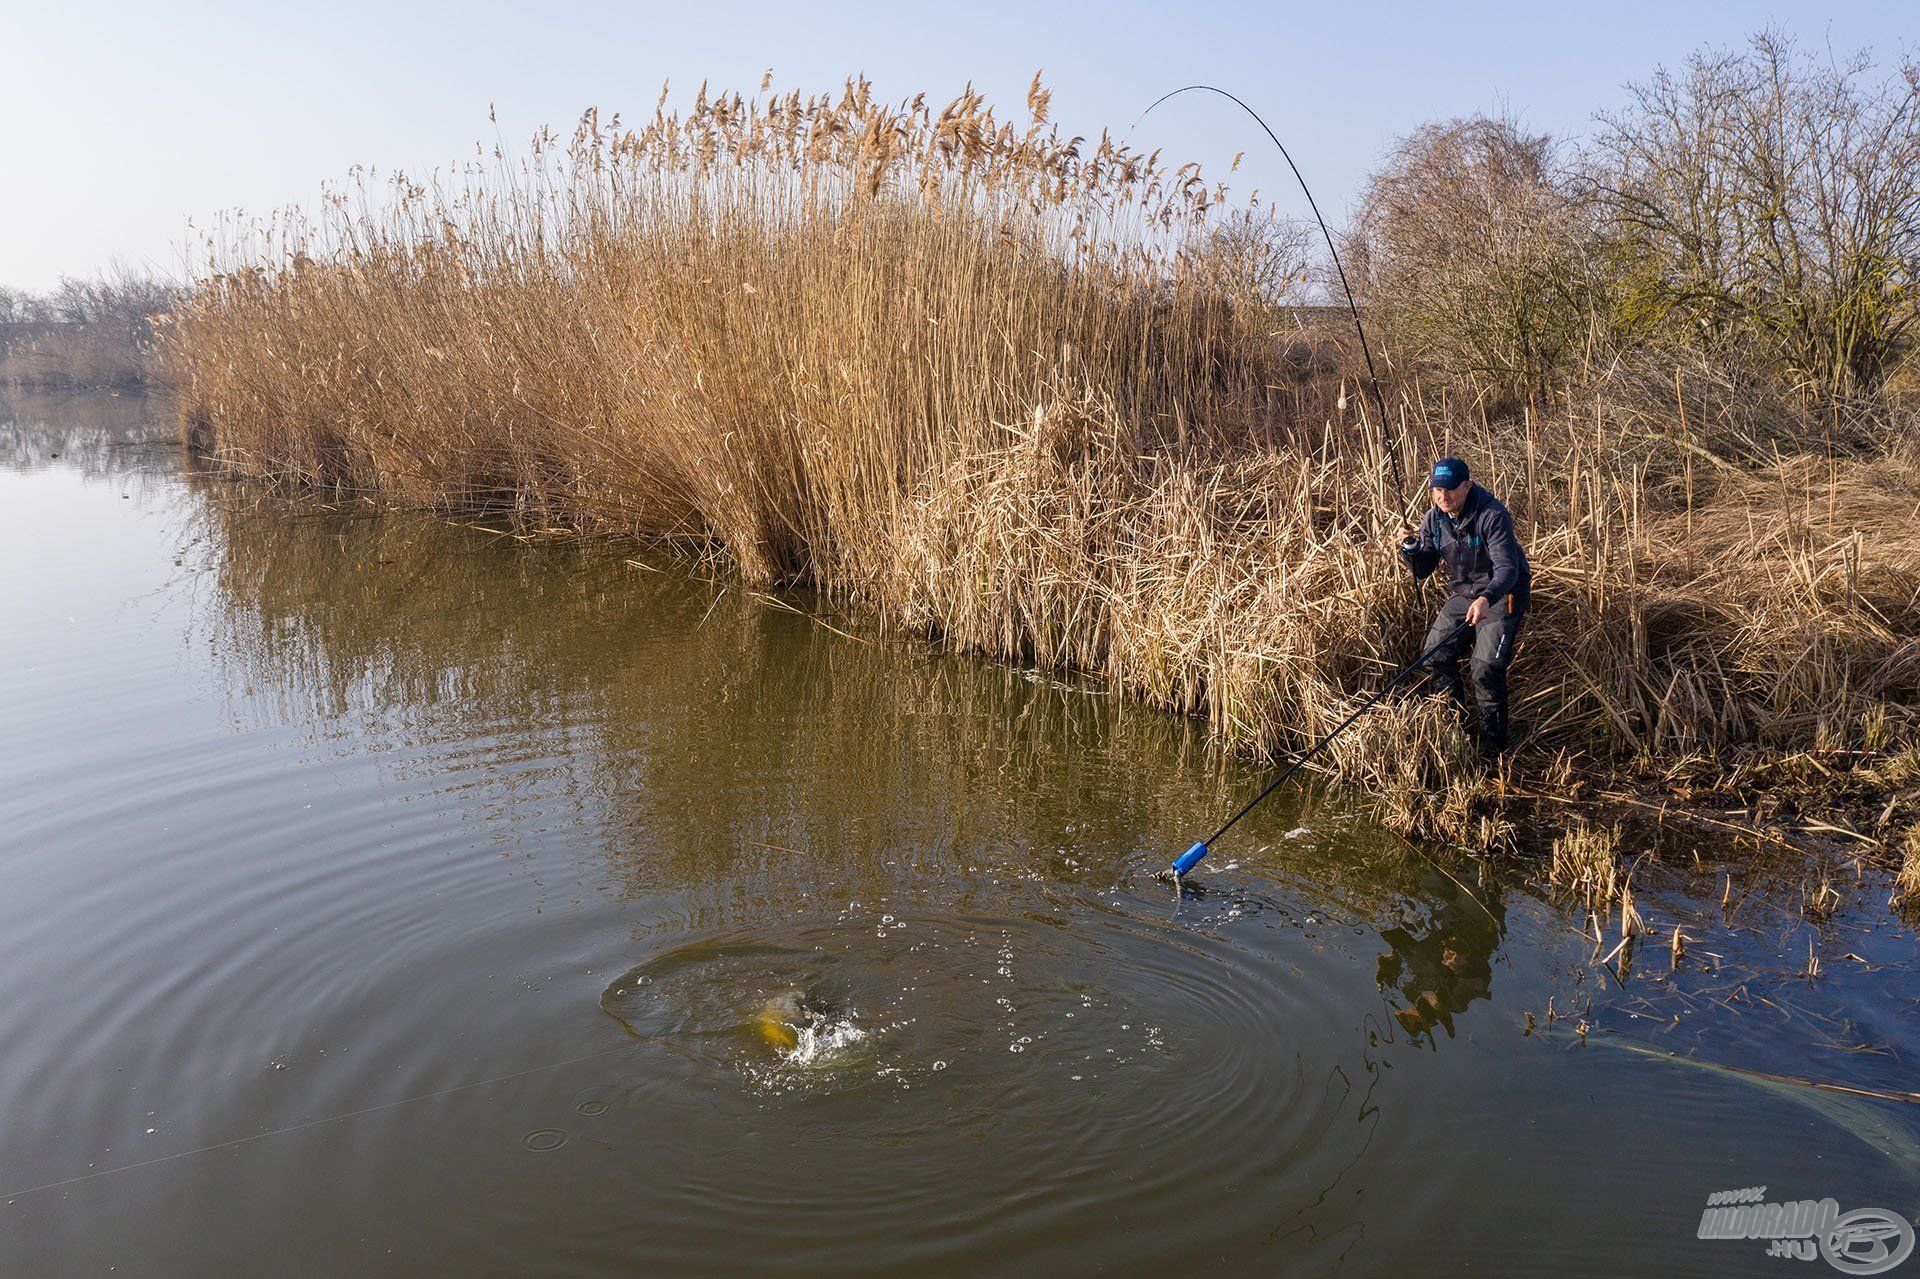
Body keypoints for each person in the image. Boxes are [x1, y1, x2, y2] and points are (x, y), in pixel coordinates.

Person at [1396, 457, 1531, 755]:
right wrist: (1411, 549)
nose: (1444, 497)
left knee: (1485, 667)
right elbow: (1423, 569)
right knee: (1435, 655)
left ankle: (1492, 748)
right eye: (1437, 490)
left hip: (1502, 592)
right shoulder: (1435, 518)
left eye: (1451, 490)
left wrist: (1487, 598)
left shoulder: (1492, 515)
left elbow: (1508, 569)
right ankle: (1456, 728)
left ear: (1467, 486)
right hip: (1465, 593)